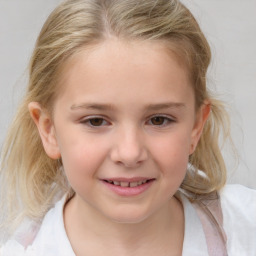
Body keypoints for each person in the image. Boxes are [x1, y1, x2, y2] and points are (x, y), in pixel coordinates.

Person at [0, 0, 255, 255]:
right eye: (96, 121)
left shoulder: (246, 229)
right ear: (48, 130)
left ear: (196, 126)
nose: (130, 153)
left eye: (158, 120)